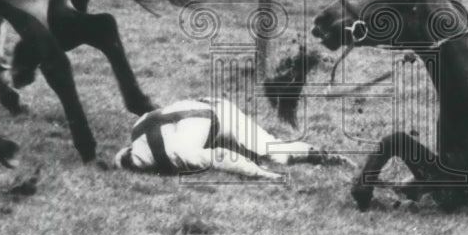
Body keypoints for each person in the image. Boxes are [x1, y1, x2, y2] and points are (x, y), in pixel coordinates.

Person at [112, 97, 325, 179]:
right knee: (260, 151)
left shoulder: (175, 155)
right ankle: (314, 153)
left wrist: (264, 175)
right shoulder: (137, 130)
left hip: (222, 117)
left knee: (272, 154)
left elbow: (221, 157)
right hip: (204, 105)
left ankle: (317, 154)